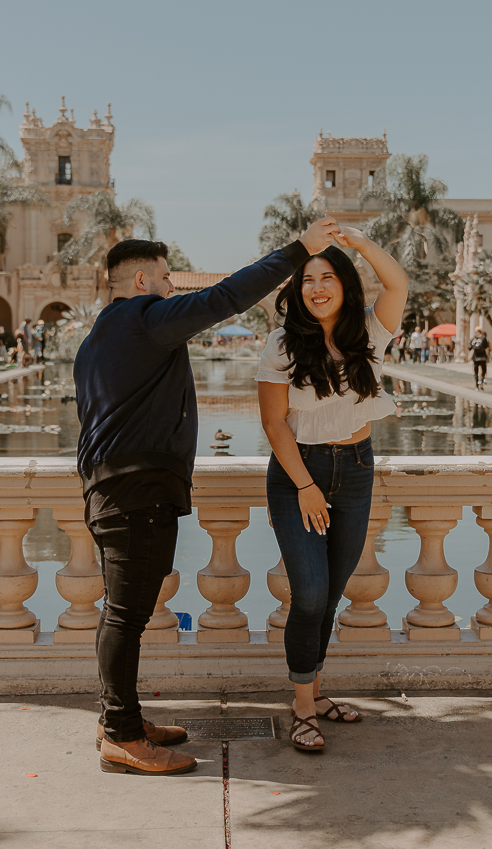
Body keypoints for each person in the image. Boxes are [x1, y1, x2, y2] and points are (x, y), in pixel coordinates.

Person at [75, 216, 339, 776]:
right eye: (168, 278)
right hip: (136, 489)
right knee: (125, 614)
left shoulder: (99, 335)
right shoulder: (143, 318)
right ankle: (121, 734)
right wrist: (299, 251)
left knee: (127, 610)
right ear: (143, 280)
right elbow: (224, 298)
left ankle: (118, 717)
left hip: (113, 487)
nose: (173, 288)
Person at [256, 227, 407, 754]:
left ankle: (315, 695)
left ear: (344, 283)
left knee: (332, 593)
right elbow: (275, 425)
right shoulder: (281, 343)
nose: (316, 287)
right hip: (301, 471)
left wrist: (360, 242)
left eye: (327, 277)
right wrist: (305, 485)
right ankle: (302, 706)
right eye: (307, 280)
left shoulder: (370, 332)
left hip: (357, 469)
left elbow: (398, 283)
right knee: (311, 592)